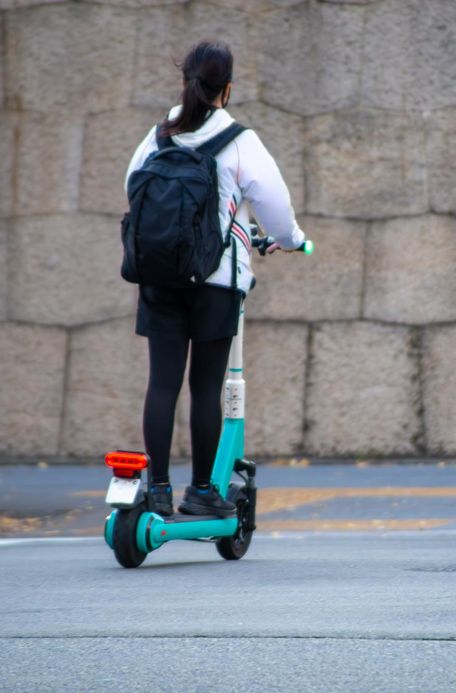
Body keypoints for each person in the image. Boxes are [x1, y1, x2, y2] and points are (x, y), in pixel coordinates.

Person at [123, 41, 306, 518]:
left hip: (159, 277)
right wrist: (289, 237)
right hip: (215, 281)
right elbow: (277, 211)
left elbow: (132, 187)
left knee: (162, 384)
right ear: (227, 89)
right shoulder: (239, 141)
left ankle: (157, 489)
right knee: (206, 388)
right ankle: (202, 491)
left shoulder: (158, 136)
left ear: (185, 81)